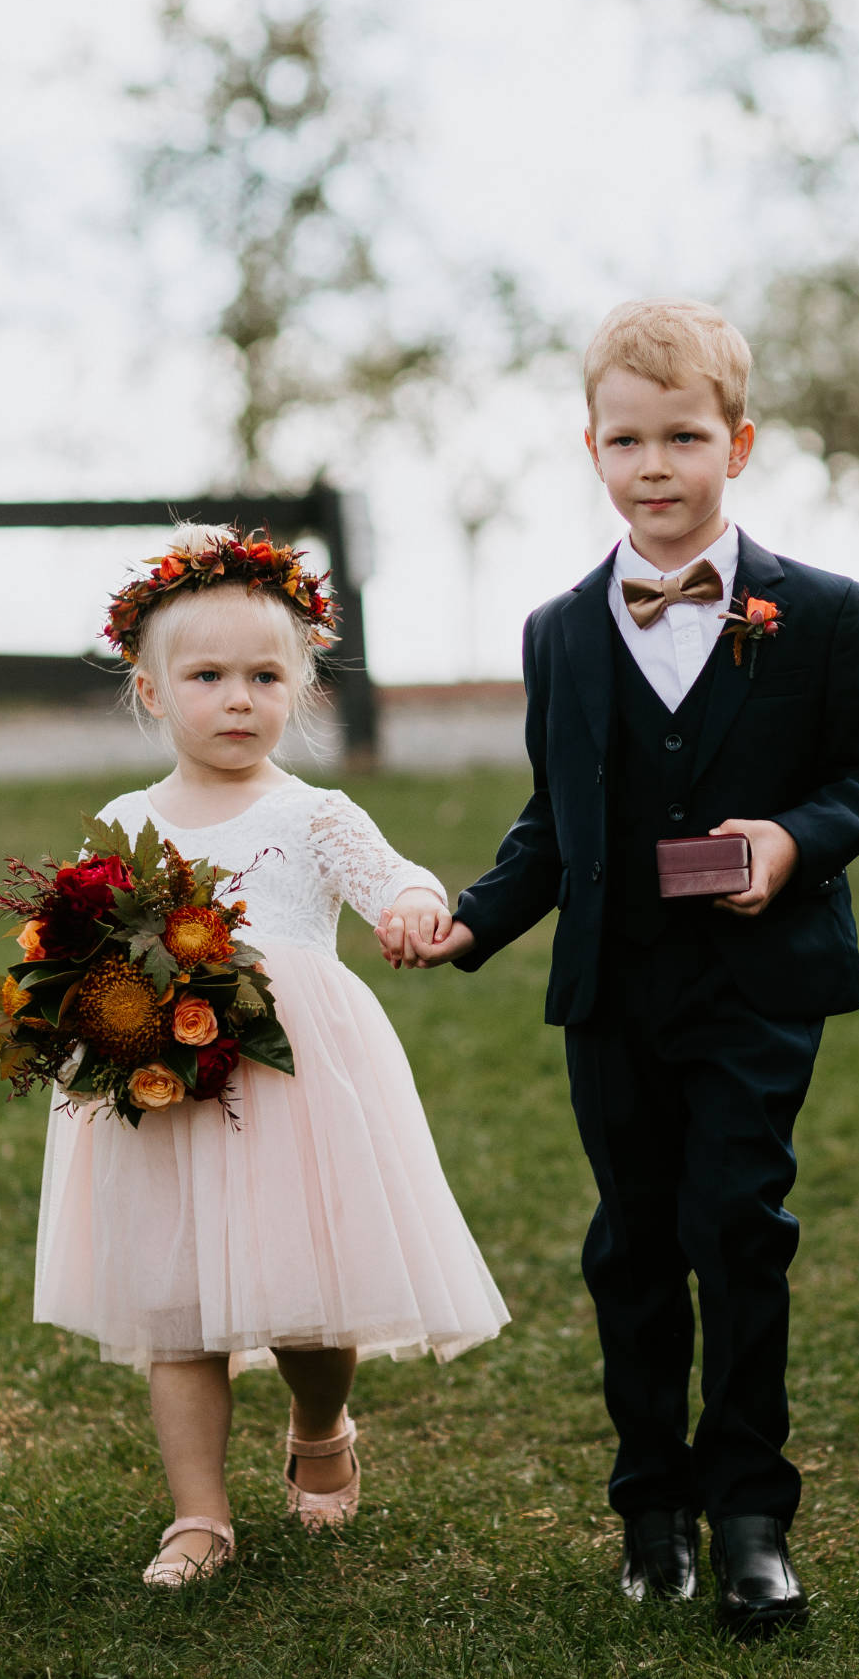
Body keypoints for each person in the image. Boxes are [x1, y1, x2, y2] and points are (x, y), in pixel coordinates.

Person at [387, 300, 859, 1638]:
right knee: (631, 1243)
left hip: (759, 985)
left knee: (736, 1227)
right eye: (629, 438)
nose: (657, 463)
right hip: (612, 990)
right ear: (592, 448)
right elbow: (555, 820)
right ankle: (649, 1513)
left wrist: (794, 838)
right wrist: (473, 919)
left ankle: (750, 1519)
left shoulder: (824, 613)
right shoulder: (561, 632)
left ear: (738, 442)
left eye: (685, 435)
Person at [34, 524, 507, 1588]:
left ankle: (321, 1418)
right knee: (178, 1305)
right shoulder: (125, 821)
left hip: (293, 1080)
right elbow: (77, 938)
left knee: (309, 1300)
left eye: (264, 675)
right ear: (152, 693)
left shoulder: (313, 814)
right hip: (165, 1079)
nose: (238, 698)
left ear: (300, 686)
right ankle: (198, 1515)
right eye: (207, 677)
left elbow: (397, 877)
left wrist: (416, 908)